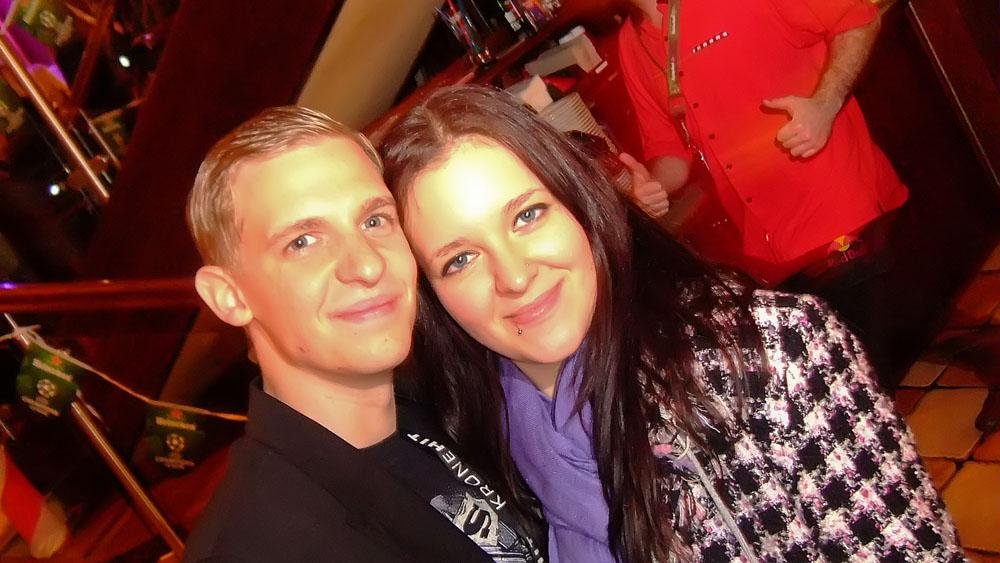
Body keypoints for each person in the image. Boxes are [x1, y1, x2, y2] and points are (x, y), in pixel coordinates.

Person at [380, 85, 962, 562]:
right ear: (432, 296)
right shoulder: (486, 421)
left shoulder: (768, 356)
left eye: (527, 215)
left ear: (580, 204)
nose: (512, 276)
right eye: (460, 259)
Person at [182, 106, 544, 562]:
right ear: (230, 296)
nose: (368, 265)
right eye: (302, 242)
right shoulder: (258, 547)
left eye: (374, 221)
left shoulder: (450, 396)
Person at [617, 0, 909, 284]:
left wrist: (825, 102)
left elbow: (857, 18)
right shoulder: (631, 43)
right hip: (771, 254)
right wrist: (650, 189)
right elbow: (670, 151)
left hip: (842, 216)